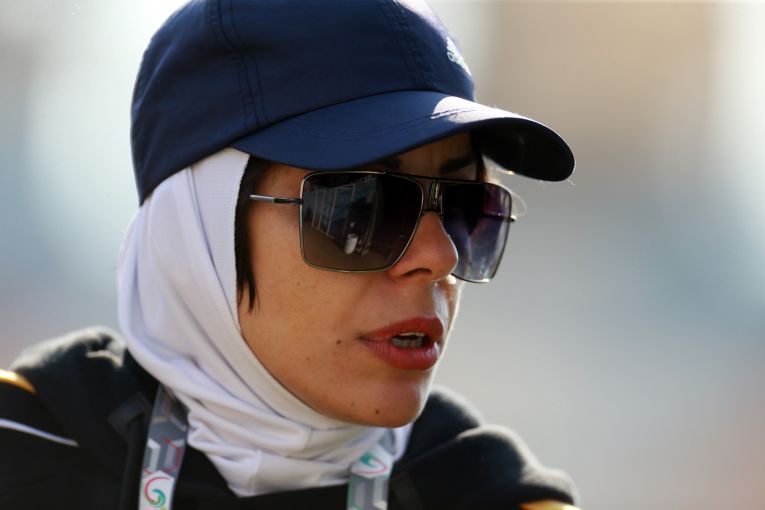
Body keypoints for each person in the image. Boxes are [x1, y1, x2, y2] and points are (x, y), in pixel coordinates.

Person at [0, 0, 580, 509]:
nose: (439, 255)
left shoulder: (497, 497)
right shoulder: (22, 454)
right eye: (361, 206)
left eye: (465, 206)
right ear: (193, 231)